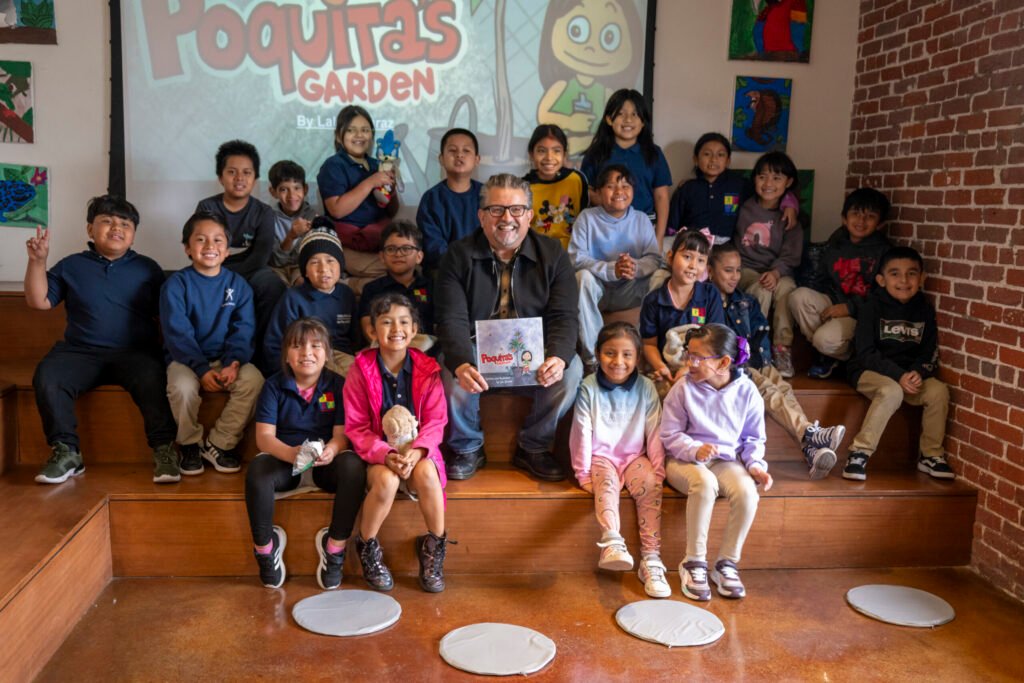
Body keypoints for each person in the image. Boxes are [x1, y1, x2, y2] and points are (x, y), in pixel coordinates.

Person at [435, 173, 582, 481]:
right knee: (449, 367)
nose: (507, 218)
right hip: (477, 353)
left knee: (571, 370)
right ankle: (467, 447)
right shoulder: (457, 255)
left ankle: (533, 447)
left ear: (529, 215)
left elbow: (565, 316)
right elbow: (451, 319)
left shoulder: (553, 254)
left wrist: (558, 356)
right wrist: (461, 361)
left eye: (516, 209)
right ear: (481, 216)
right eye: (496, 209)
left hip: (532, 356)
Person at [25, 195, 178, 484]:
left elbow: (166, 316)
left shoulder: (148, 268)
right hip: (80, 351)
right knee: (48, 376)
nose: (116, 228)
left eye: (125, 224)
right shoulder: (71, 265)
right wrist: (37, 261)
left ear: (133, 234)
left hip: (135, 352)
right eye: (107, 221)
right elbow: (39, 301)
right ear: (90, 229)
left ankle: (164, 449)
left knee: (153, 378)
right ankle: (66, 451)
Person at [244, 318, 367, 589]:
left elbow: (341, 435)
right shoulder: (273, 386)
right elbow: (264, 438)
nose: (306, 353)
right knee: (257, 472)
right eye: (297, 346)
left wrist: (332, 450)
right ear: (286, 355)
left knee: (354, 466)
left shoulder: (338, 385)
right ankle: (265, 550)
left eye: (315, 346)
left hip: (325, 465)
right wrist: (292, 454)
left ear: (328, 353)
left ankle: (334, 548)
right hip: (285, 461)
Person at [709, 242, 845, 479]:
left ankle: (810, 448)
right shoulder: (706, 301)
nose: (735, 276)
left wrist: (765, 362)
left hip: (756, 361)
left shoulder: (746, 301)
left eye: (738, 270)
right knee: (770, 391)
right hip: (733, 368)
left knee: (784, 389)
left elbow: (760, 334)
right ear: (710, 271)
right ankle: (810, 435)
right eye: (728, 270)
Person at [343, 294, 451, 592]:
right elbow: (357, 427)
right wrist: (386, 454)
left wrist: (417, 451)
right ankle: (367, 545)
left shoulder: (428, 369)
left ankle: (434, 547)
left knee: (427, 473)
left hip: (418, 453)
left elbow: (436, 421)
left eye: (404, 322)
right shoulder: (359, 370)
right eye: (386, 322)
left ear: (414, 329)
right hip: (377, 456)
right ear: (372, 330)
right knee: (387, 481)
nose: (396, 329)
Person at [661, 324, 772, 601]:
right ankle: (694, 561)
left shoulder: (747, 392)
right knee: (704, 482)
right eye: (688, 355)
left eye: (698, 358)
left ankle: (726, 563)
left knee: (747, 492)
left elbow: (753, 438)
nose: (690, 363)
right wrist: (694, 450)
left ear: (724, 362)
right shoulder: (683, 388)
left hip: (724, 460)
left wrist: (755, 465)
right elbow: (670, 435)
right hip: (683, 459)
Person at [570, 322, 669, 598]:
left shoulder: (646, 387)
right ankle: (612, 541)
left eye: (627, 355)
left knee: (651, 485)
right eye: (610, 353)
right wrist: (582, 473)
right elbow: (581, 431)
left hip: (635, 456)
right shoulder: (588, 387)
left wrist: (658, 469)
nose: (618, 362)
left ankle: (651, 559)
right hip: (602, 458)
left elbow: (655, 430)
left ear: (637, 357)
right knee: (606, 486)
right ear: (598, 353)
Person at [161, 211, 264, 475]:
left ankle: (219, 444)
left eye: (218, 240)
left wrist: (233, 363)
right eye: (200, 239)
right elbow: (178, 334)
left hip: (226, 359)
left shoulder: (238, 286)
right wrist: (201, 369)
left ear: (227, 250)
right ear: (187, 248)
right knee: (182, 387)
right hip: (186, 360)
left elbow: (243, 329)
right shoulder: (176, 285)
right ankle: (190, 444)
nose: (210, 246)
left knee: (254, 381)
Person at [843, 247, 951, 481]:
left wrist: (918, 372)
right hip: (868, 371)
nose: (904, 280)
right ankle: (859, 453)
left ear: (922, 278)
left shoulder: (924, 309)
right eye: (895, 273)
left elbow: (929, 352)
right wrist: (898, 375)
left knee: (938, 392)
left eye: (911, 273)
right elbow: (865, 353)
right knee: (891, 391)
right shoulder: (871, 307)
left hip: (908, 376)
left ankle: (930, 455)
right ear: (881, 280)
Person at [789, 187, 892, 379]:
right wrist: (827, 307)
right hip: (833, 303)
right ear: (844, 218)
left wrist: (849, 308)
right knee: (798, 296)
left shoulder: (884, 252)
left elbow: (882, 297)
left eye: (870, 217)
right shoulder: (837, 242)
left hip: (860, 315)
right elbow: (822, 279)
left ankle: (848, 358)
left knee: (824, 339)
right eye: (855, 214)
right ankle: (829, 356)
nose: (861, 221)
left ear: (880, 224)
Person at [195, 140, 284, 357]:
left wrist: (230, 279)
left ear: (255, 178)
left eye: (246, 172)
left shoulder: (264, 212)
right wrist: (219, 277)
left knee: (272, 285)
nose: (239, 178)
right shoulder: (207, 207)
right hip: (212, 271)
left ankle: (262, 353)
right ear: (220, 177)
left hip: (251, 270)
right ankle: (208, 352)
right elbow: (200, 247)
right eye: (232, 172)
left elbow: (259, 258)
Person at [570, 165, 661, 370]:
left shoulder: (641, 219)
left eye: (625, 186)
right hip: (599, 289)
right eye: (611, 186)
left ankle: (649, 349)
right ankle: (593, 358)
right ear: (598, 192)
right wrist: (612, 270)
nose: (619, 192)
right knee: (582, 277)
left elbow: (654, 258)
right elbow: (576, 258)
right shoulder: (587, 218)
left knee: (662, 276)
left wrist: (633, 267)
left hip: (630, 288)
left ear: (633, 191)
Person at [536, 0, 643, 155]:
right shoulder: (561, 86)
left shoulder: (607, 94)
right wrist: (570, 122)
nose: (591, 48)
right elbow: (543, 115)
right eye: (576, 31)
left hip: (596, 153)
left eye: (609, 37)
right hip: (563, 154)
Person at [734, 150, 803, 378]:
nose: (768, 183)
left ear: (788, 182)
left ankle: (782, 348)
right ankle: (755, 345)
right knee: (762, 290)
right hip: (747, 269)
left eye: (776, 178)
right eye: (762, 177)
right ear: (754, 179)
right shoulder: (744, 207)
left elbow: (792, 255)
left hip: (778, 271)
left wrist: (776, 272)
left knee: (787, 289)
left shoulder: (789, 216)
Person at [317, 105, 398, 293]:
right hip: (345, 244)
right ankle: (347, 284)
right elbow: (336, 209)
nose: (359, 135)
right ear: (339, 136)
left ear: (372, 136)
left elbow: (391, 211)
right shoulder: (333, 165)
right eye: (351, 130)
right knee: (395, 268)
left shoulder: (377, 164)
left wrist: (390, 190)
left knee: (406, 264)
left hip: (377, 241)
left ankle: (351, 283)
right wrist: (370, 182)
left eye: (365, 130)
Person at [666, 132, 798, 249]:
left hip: (726, 248)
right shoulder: (687, 188)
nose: (713, 159)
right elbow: (673, 223)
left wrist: (789, 204)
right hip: (692, 245)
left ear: (728, 160)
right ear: (696, 159)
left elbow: (766, 190)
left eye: (720, 155)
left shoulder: (740, 185)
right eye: (707, 154)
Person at [580, 89, 672, 246]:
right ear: (609, 119)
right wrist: (610, 204)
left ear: (643, 121)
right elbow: (586, 190)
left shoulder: (653, 153)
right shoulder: (596, 153)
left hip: (644, 229)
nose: (628, 120)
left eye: (635, 114)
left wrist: (659, 237)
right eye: (621, 114)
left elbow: (661, 197)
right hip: (604, 227)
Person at [263, 228, 358, 378]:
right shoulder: (293, 298)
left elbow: (356, 338)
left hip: (342, 356)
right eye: (314, 262)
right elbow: (275, 344)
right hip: (307, 356)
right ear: (305, 271)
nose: (323, 269)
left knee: (360, 377)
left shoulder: (346, 294)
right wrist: (285, 376)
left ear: (340, 265)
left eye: (330, 260)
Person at [640, 230, 725, 388]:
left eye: (701, 260)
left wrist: (688, 369)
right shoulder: (653, 301)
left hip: (703, 367)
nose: (693, 266)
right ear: (670, 257)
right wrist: (661, 367)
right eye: (687, 257)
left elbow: (716, 340)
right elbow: (649, 345)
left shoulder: (710, 294)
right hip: (667, 369)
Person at [358, 220, 435, 351]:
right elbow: (368, 328)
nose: (398, 254)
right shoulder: (372, 289)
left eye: (406, 248)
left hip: (425, 348)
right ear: (382, 257)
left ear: (419, 256)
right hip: (386, 347)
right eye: (391, 249)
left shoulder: (432, 287)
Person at [417, 128, 482, 271]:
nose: (459, 155)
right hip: (443, 272)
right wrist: (460, 266)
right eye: (452, 150)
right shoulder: (431, 199)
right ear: (441, 159)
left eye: (466, 151)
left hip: (481, 269)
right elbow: (433, 246)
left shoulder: (487, 196)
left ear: (477, 159)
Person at [524, 124, 589, 248]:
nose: (549, 157)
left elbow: (585, 219)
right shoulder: (523, 187)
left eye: (556, 151)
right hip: (539, 252)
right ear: (531, 154)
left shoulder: (576, 180)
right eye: (541, 151)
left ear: (564, 155)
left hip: (574, 251)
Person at [266, 160, 316, 286]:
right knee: (276, 286)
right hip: (276, 268)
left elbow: (307, 256)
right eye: (283, 189)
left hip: (301, 266)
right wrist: (291, 236)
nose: (292, 195)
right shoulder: (268, 218)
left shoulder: (313, 217)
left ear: (305, 189)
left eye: (297, 188)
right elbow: (277, 261)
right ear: (273, 192)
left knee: (303, 283)